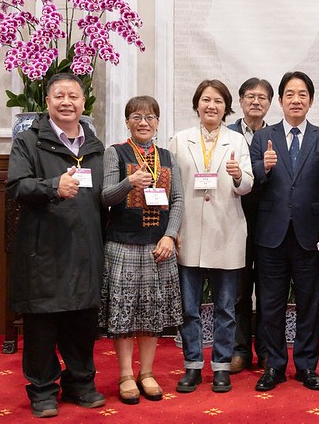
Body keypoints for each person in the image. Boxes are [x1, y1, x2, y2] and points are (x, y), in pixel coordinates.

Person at [7, 72, 106, 418]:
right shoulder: (29, 141)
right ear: (47, 102)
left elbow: (103, 197)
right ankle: (43, 389)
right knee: (43, 323)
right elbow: (16, 186)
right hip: (43, 249)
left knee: (82, 320)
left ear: (83, 103)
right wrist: (53, 187)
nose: (67, 102)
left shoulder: (94, 144)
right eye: (59, 96)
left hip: (85, 247)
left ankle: (80, 383)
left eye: (74, 96)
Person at [250, 71, 319, 392]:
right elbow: (250, 181)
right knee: (270, 304)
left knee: (308, 303)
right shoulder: (262, 137)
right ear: (281, 101)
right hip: (270, 234)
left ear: (310, 100)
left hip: (309, 234)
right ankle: (272, 365)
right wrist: (264, 166)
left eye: (302, 94)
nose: (296, 99)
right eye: (289, 94)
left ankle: (306, 365)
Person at [168, 80, 254, 394]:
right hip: (188, 232)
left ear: (226, 106)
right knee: (190, 307)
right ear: (197, 104)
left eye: (218, 101)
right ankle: (191, 365)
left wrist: (237, 175)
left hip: (226, 231)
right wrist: (171, 230)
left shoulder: (237, 141)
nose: (211, 106)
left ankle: (220, 366)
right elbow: (171, 188)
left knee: (226, 307)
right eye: (206, 100)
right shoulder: (180, 140)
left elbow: (247, 184)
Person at [98, 96, 185, 405]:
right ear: (127, 122)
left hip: (158, 247)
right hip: (122, 245)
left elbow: (177, 201)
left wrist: (170, 236)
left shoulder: (167, 156)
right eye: (136, 117)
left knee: (152, 314)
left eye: (149, 117)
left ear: (158, 122)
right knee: (124, 314)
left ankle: (146, 373)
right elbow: (105, 196)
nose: (143, 122)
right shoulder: (115, 153)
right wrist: (128, 182)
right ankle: (124, 374)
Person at [228, 78, 273, 373]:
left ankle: (268, 351)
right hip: (234, 220)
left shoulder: (277, 136)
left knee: (270, 290)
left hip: (271, 223)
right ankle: (239, 350)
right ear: (241, 101)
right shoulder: (227, 134)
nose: (255, 102)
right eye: (250, 96)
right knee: (239, 290)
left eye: (262, 97)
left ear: (270, 103)